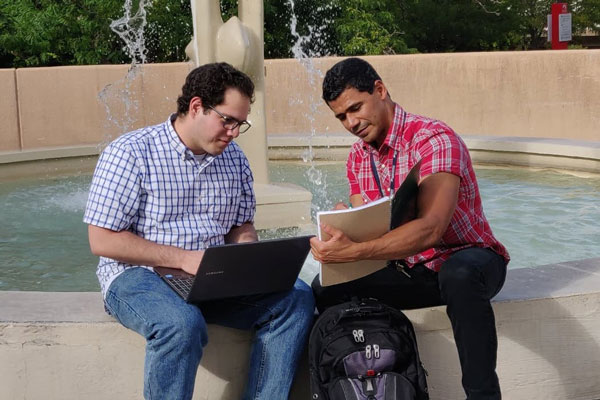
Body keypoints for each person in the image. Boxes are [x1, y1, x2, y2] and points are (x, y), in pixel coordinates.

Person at [84, 62, 315, 400]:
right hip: (138, 276)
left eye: (241, 124)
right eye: (228, 120)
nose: (234, 132)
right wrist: (185, 259)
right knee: (180, 325)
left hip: (213, 277)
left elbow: (240, 225)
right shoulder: (130, 153)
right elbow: (101, 239)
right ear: (196, 107)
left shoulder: (234, 158)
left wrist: (247, 254)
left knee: (296, 298)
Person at [310, 57, 510, 400]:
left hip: (467, 258)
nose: (351, 122)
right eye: (341, 116)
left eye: (356, 108)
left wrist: (355, 251)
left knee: (458, 276)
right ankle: (376, 384)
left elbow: (431, 229)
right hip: (409, 268)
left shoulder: (434, 138)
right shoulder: (358, 157)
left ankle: (483, 395)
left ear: (380, 90)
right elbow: (372, 226)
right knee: (325, 289)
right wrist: (346, 231)